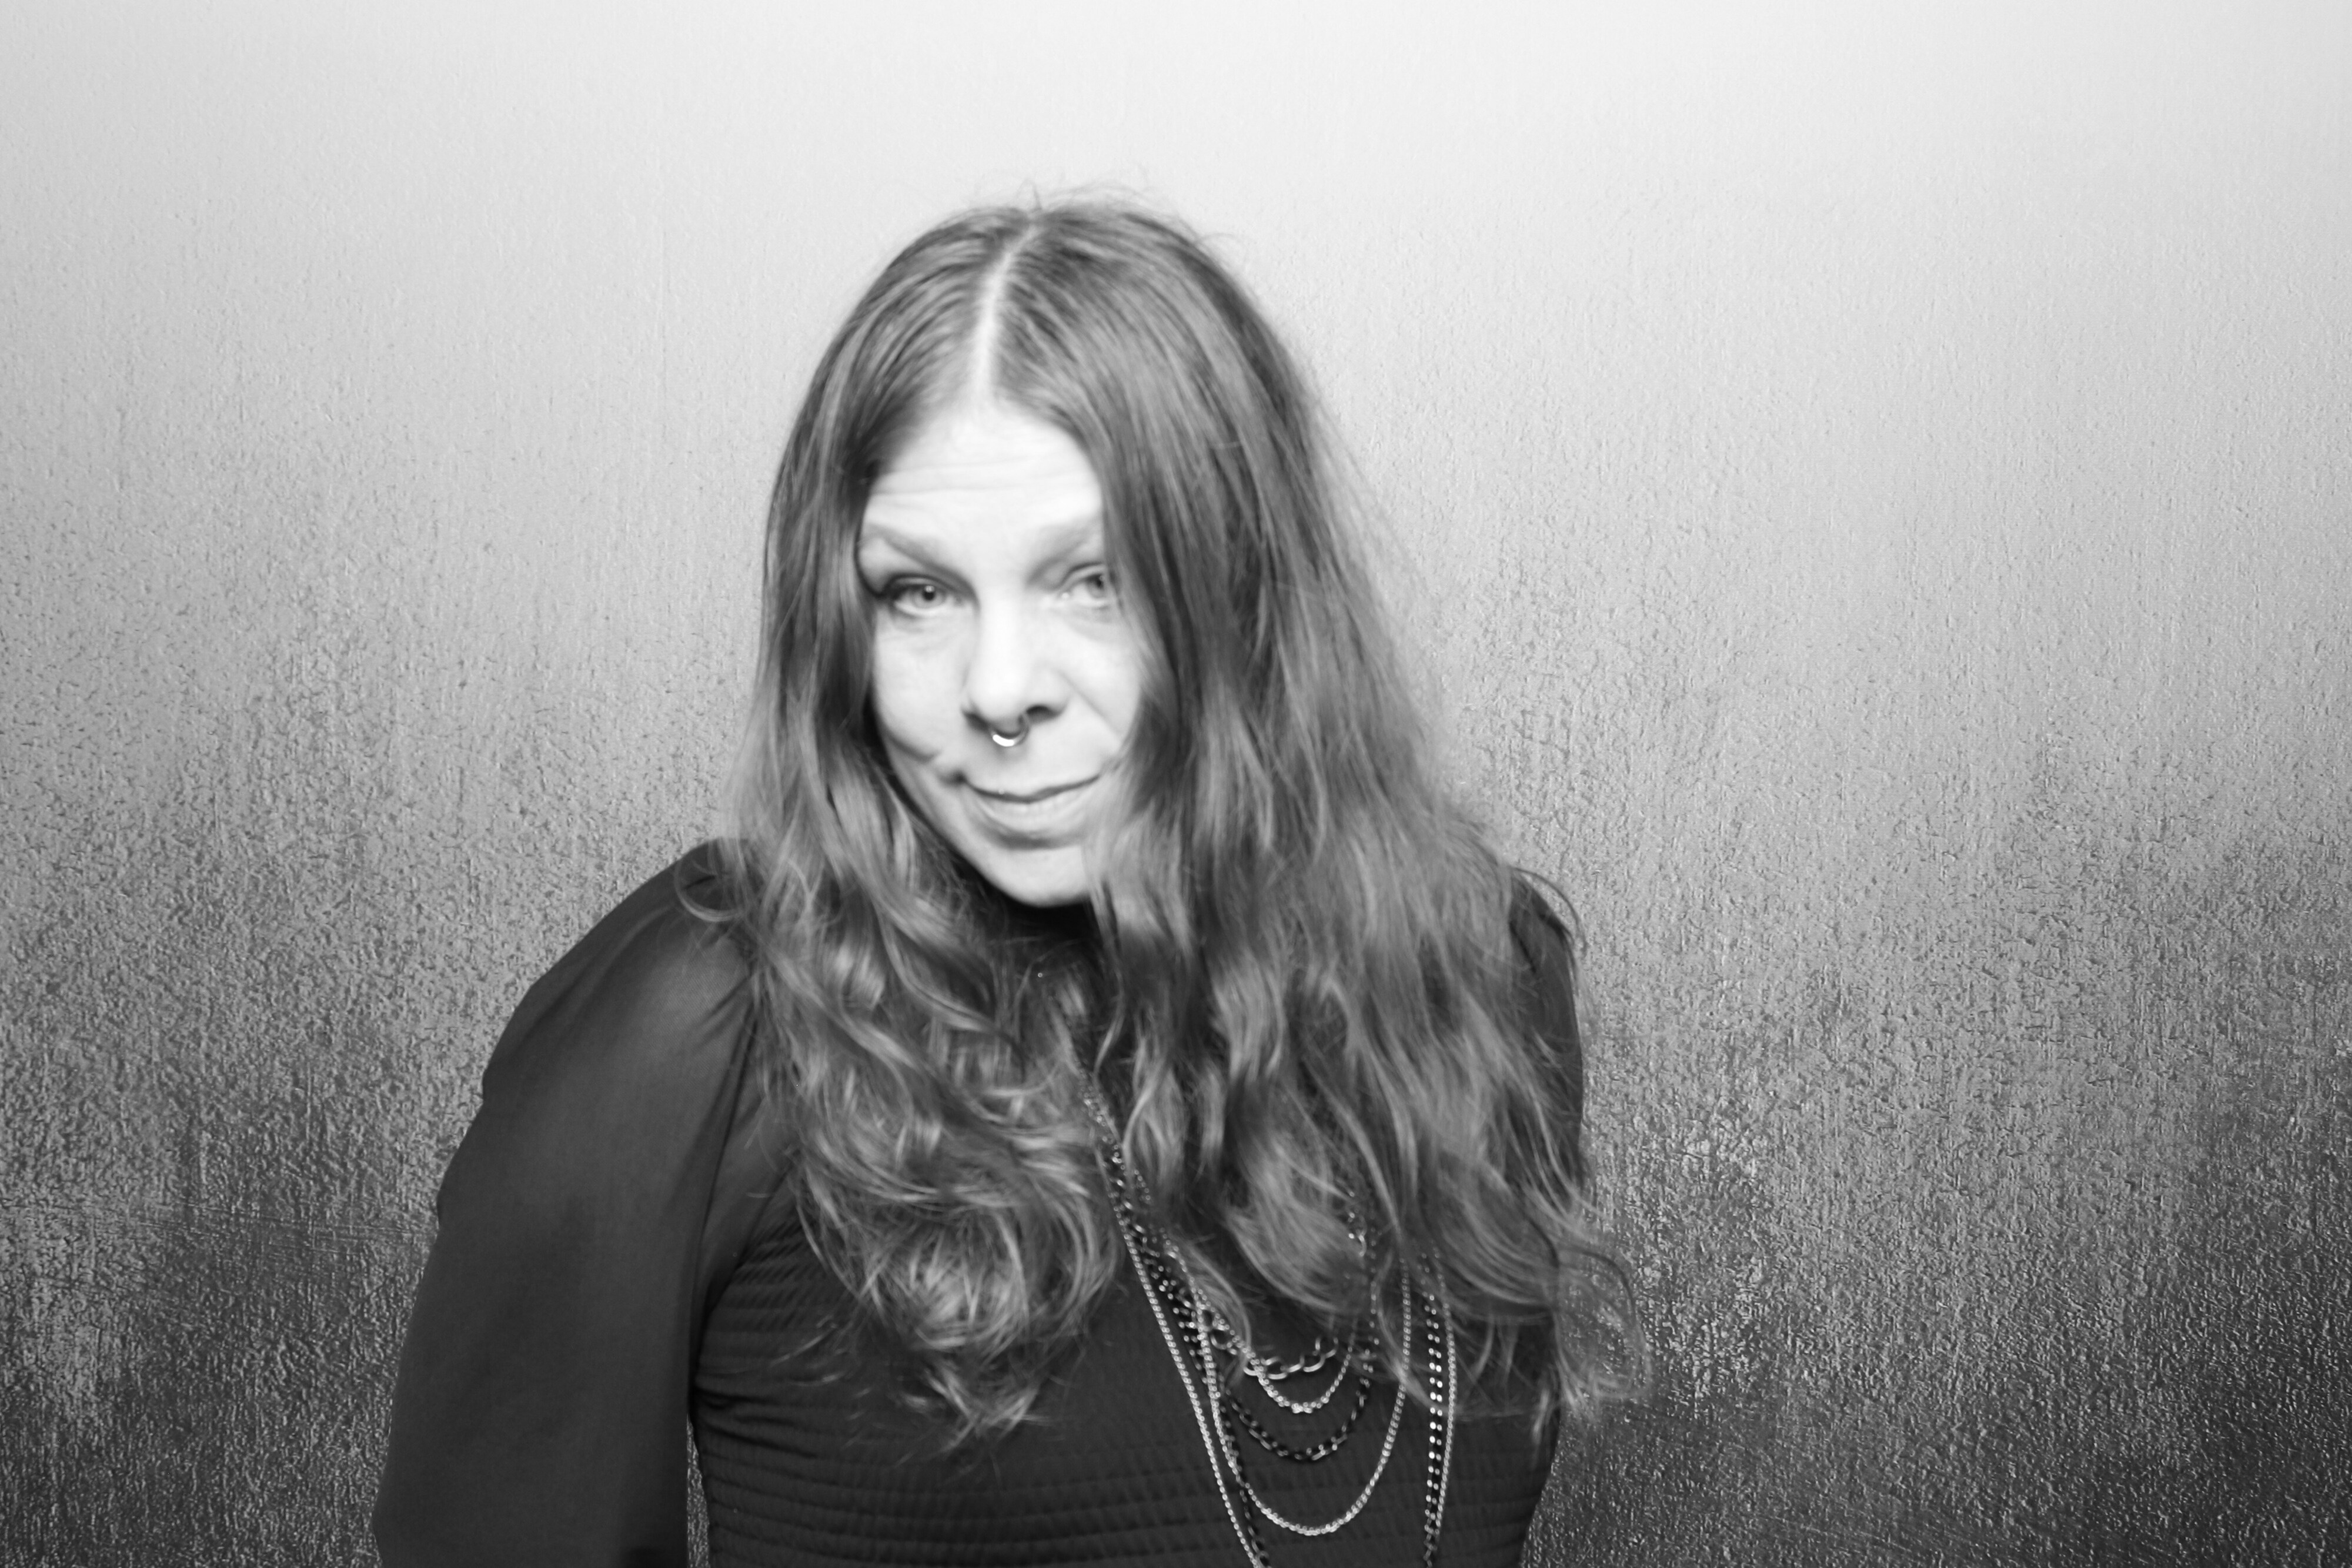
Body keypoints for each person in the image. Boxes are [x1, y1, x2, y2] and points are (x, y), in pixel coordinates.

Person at [373, 199, 1638, 1567]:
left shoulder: (1481, 971)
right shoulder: (707, 1023)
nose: (994, 689)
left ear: (1244, 586)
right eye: (916, 592)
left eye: (1090, 580)